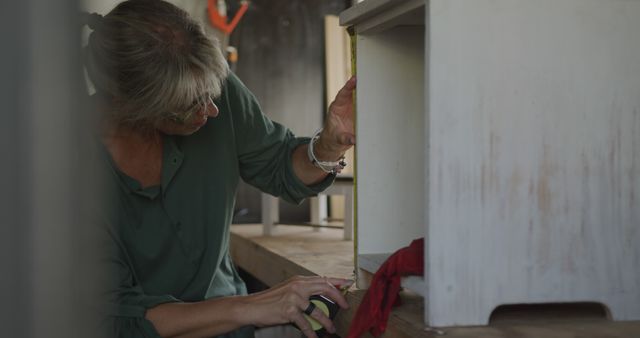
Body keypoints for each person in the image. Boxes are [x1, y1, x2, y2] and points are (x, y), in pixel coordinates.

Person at [82, 1, 356, 337]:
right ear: (133, 108)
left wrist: (330, 144)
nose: (211, 110)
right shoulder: (65, 167)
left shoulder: (213, 91)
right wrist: (251, 306)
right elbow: (114, 319)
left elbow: (280, 165)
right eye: (189, 105)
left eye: (211, 94)